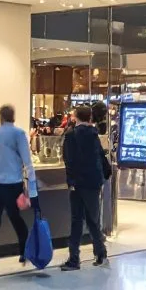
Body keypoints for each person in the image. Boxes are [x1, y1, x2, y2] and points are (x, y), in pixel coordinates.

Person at [0, 104, 37, 268]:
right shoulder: (19, 134)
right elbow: (27, 161)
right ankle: (24, 252)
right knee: (16, 219)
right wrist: (32, 187)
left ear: (1, 117)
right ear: (13, 116)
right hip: (12, 184)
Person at [59, 104, 110, 271]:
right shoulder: (94, 135)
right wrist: (103, 176)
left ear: (75, 117)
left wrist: (71, 181)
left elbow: (69, 161)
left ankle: (74, 258)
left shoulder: (71, 135)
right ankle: (100, 253)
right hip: (93, 183)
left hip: (78, 184)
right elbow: (101, 158)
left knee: (76, 220)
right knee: (93, 220)